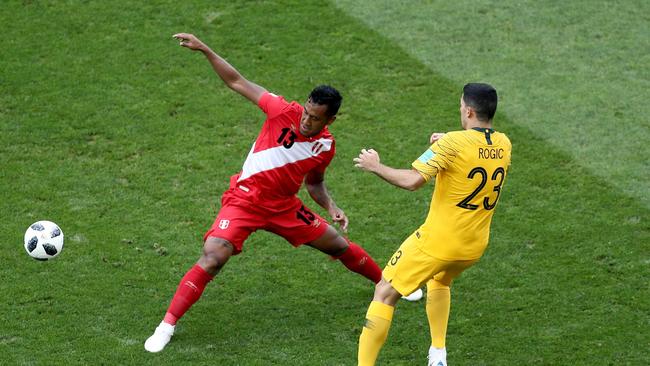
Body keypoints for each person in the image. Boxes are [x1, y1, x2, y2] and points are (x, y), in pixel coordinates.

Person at [144, 33, 385, 353]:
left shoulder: (325, 147)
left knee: (339, 244)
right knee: (214, 256)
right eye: (306, 112)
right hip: (245, 199)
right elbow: (237, 81)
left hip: (284, 207)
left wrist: (332, 206)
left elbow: (314, 183)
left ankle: (385, 284)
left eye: (315, 119)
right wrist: (205, 49)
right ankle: (167, 325)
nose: (306, 120)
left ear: (331, 120)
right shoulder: (281, 109)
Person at [353, 83, 511, 366]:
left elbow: (413, 180)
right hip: (473, 246)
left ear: (470, 111)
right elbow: (473, 151)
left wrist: (376, 166)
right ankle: (438, 354)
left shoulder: (452, 144)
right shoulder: (504, 144)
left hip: (438, 242)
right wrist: (447, 141)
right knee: (441, 280)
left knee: (384, 291)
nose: (460, 109)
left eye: (462, 106)